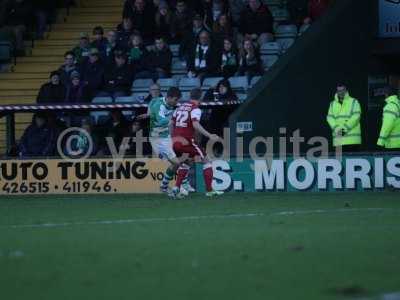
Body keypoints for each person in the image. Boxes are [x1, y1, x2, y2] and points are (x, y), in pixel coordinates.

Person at [171, 88, 223, 197]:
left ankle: (176, 188)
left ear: (190, 95)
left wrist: (172, 137)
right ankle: (209, 190)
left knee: (186, 163)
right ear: (200, 97)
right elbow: (195, 124)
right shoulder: (195, 109)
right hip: (187, 142)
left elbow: (171, 123)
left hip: (175, 141)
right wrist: (209, 135)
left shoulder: (179, 107)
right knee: (207, 161)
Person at [140, 87, 183, 193]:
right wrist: (174, 119)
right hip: (158, 139)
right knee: (176, 163)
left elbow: (152, 101)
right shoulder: (160, 106)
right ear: (169, 97)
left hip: (166, 136)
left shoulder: (157, 100)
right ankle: (181, 185)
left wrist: (149, 113)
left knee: (177, 162)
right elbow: (161, 121)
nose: (176, 102)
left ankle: (165, 186)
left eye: (177, 100)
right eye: (175, 100)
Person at [326, 84, 362, 151]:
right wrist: (337, 129)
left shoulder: (354, 102)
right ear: (336, 92)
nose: (341, 92)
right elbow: (330, 118)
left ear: (346, 91)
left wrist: (345, 128)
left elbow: (356, 116)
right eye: (339, 91)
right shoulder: (332, 104)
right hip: (338, 141)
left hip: (352, 141)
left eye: (343, 90)